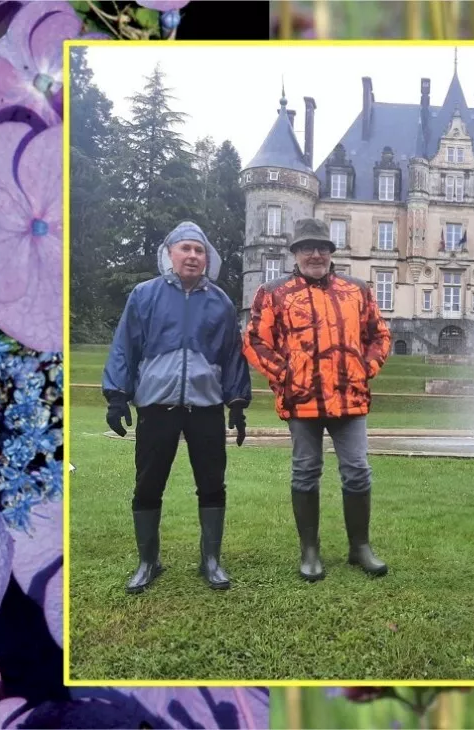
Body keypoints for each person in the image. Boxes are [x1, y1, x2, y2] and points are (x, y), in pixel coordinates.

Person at [103, 221, 252, 594]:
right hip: (157, 405)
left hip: (205, 407)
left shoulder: (220, 302)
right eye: (185, 248)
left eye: (199, 250)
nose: (192, 256)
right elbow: (125, 346)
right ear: (169, 254)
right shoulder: (144, 295)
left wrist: (236, 402)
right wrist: (117, 395)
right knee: (148, 482)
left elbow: (233, 356)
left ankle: (211, 559)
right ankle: (148, 560)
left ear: (208, 258)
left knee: (212, 482)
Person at [244, 218, 392, 581]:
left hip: (349, 400)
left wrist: (365, 367)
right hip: (302, 401)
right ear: (294, 252)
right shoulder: (273, 293)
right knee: (306, 472)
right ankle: (309, 550)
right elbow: (254, 341)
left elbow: (380, 335)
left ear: (330, 253)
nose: (315, 254)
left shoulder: (357, 290)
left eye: (322, 247)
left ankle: (360, 547)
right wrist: (286, 375)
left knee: (357, 472)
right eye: (307, 247)